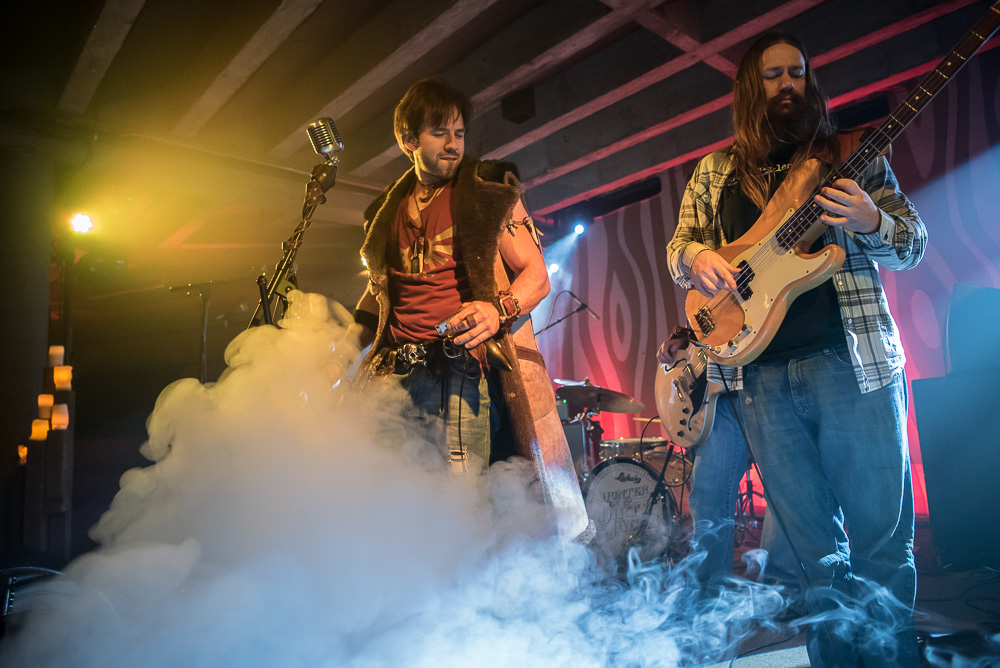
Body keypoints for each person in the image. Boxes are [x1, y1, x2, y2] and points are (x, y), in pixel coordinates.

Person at [667, 32, 926, 666]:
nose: (788, 84)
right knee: (813, 554)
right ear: (752, 89)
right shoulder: (715, 172)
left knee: (881, 544)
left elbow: (911, 243)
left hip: (852, 365)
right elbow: (679, 251)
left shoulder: (849, 156)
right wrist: (698, 257)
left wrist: (870, 220)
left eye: (797, 73)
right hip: (759, 382)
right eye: (774, 75)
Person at [348, 77, 589, 540]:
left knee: (461, 513)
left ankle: (469, 608)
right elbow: (378, 295)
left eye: (459, 133)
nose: (453, 144)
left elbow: (536, 277)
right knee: (386, 505)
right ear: (407, 140)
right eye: (440, 133)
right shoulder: (385, 211)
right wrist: (336, 353)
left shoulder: (488, 190)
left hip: (457, 370)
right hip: (392, 377)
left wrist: (497, 310)